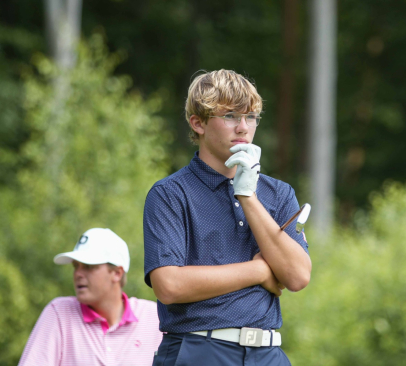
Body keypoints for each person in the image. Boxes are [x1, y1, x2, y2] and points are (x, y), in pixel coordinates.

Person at [144, 69, 312, 366]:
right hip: (199, 350)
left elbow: (297, 276)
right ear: (198, 124)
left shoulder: (279, 193)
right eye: (231, 116)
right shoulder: (170, 194)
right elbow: (169, 285)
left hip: (268, 353)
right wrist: (259, 271)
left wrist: (247, 196)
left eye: (251, 117)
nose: (243, 128)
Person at [19, 228, 162, 366]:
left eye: (88, 266)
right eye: (76, 266)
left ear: (117, 273)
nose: (78, 274)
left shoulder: (154, 317)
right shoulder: (59, 312)